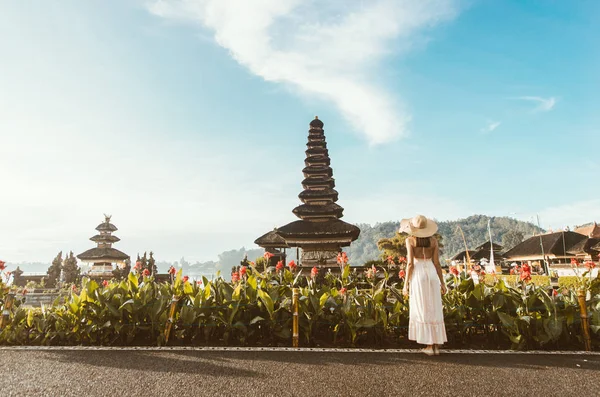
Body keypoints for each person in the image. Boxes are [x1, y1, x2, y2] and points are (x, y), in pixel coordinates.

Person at [401, 215, 447, 356]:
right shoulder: (433, 241)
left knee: (422, 307)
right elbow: (437, 264)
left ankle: (428, 346)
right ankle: (435, 346)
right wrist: (443, 283)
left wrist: (405, 285)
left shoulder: (410, 240)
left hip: (418, 273)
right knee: (434, 307)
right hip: (432, 273)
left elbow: (409, 264)